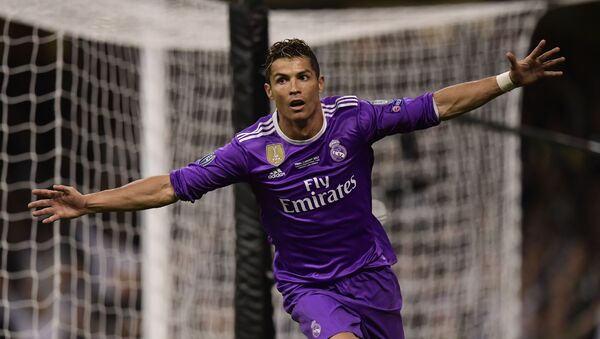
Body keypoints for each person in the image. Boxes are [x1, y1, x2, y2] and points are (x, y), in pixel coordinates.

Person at [28, 38, 564, 339]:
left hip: (371, 274)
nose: (294, 87)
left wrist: (508, 80)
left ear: (320, 84)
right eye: (282, 80)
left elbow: (437, 105)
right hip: (310, 286)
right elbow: (170, 185)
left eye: (303, 76)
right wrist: (90, 202)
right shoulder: (250, 150)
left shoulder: (356, 119)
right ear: (270, 91)